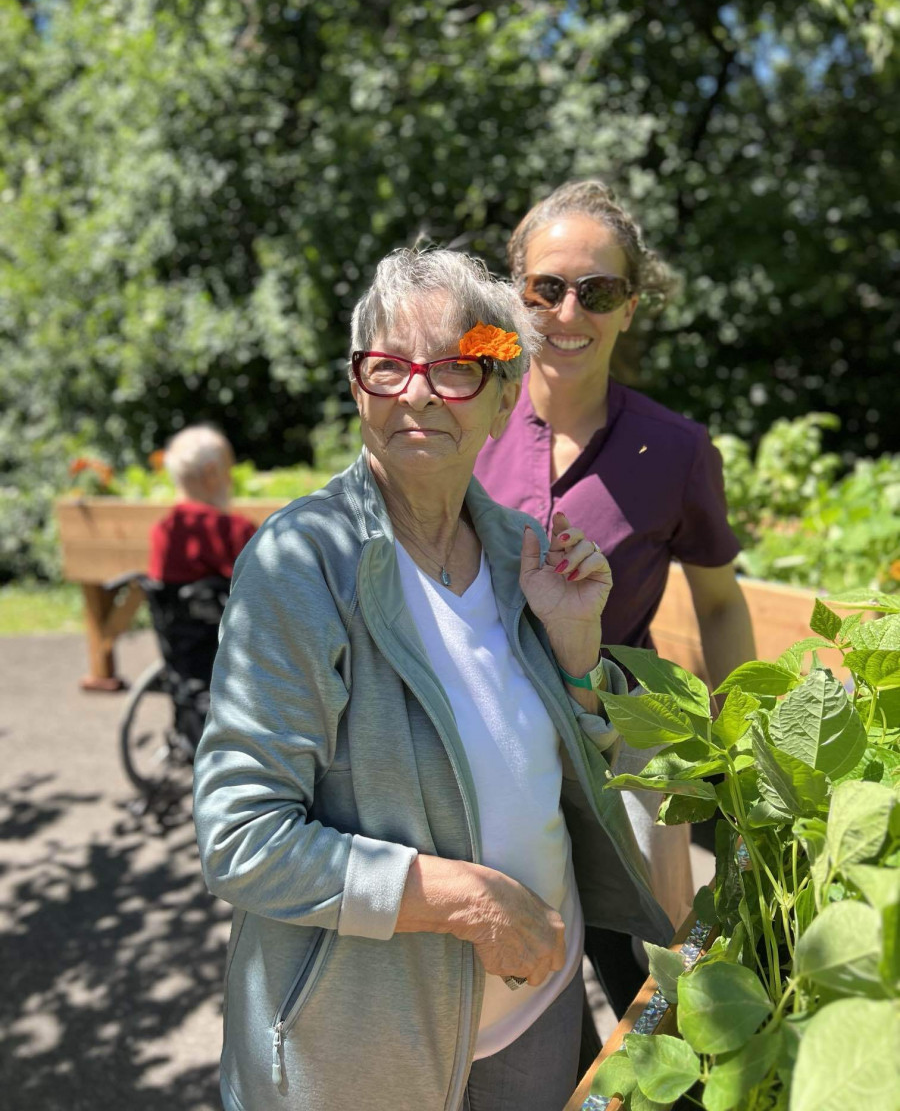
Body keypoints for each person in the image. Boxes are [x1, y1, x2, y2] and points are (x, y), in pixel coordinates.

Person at [192, 249, 670, 1111]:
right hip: (365, 1052)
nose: (416, 392)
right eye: (389, 366)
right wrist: (467, 902)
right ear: (358, 389)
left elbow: (578, 771)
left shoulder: (521, 553)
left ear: (501, 400)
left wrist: (574, 653)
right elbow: (241, 837)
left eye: (455, 368)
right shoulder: (304, 565)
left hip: (536, 1014)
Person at [473, 179, 755, 1012]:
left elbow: (721, 603)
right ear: (515, 295)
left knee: (646, 978)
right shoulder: (466, 421)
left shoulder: (676, 450)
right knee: (512, 992)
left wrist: (728, 745)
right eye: (547, 288)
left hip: (620, 752)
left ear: (629, 308)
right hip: (489, 746)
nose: (569, 313)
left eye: (597, 292)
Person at [147, 425, 256, 584]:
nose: (231, 480)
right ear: (210, 474)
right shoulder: (235, 530)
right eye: (228, 470)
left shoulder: (162, 531)